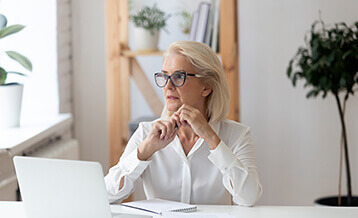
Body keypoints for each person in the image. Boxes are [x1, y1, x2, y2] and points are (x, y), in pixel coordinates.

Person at [105, 41, 262, 206]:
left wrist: (211, 138)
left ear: (207, 87)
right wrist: (145, 151)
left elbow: (249, 198)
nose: (168, 85)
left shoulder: (237, 135)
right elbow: (107, 195)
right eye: (164, 76)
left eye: (179, 76)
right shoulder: (146, 133)